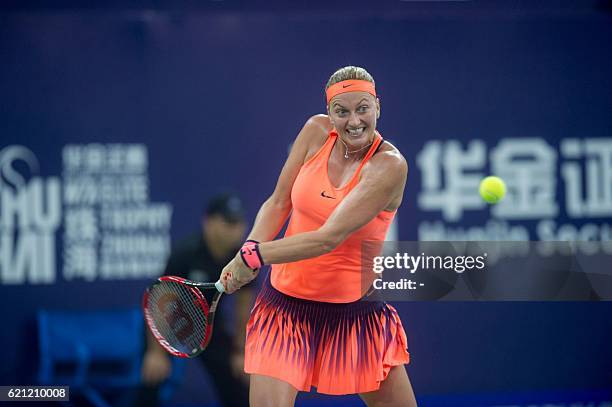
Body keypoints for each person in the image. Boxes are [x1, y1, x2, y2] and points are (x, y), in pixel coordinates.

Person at [220, 66, 417, 406]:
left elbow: (328, 238)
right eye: (341, 111)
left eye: (362, 108)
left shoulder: (389, 166)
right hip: (284, 312)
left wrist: (255, 257)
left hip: (355, 317)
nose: (353, 121)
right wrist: (249, 245)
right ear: (329, 112)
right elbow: (279, 201)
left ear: (378, 107)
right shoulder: (314, 132)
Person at [136, 192, 252, 407]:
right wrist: (155, 352)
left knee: (237, 383)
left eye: (238, 223)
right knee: (151, 378)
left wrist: (240, 351)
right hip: (170, 323)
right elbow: (159, 299)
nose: (235, 229)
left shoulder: (242, 259)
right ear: (208, 222)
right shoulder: (185, 252)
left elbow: (243, 307)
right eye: (228, 222)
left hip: (209, 323)